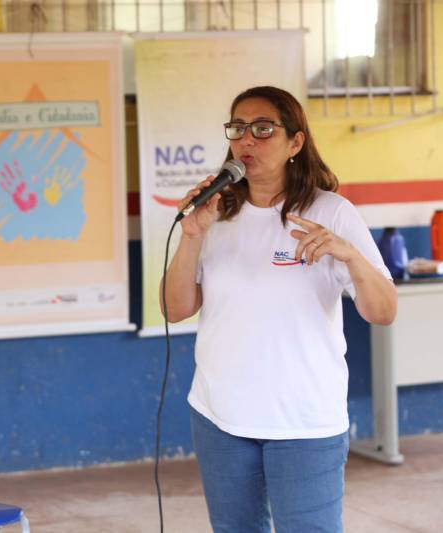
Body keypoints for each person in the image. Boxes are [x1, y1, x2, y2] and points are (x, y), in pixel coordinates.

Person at [161, 86, 397, 533]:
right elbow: (176, 309)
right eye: (238, 128)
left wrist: (351, 257)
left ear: (295, 143)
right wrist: (192, 235)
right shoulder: (213, 214)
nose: (247, 140)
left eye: (263, 129)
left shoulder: (332, 212)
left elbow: (383, 311)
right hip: (220, 417)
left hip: (303, 420)